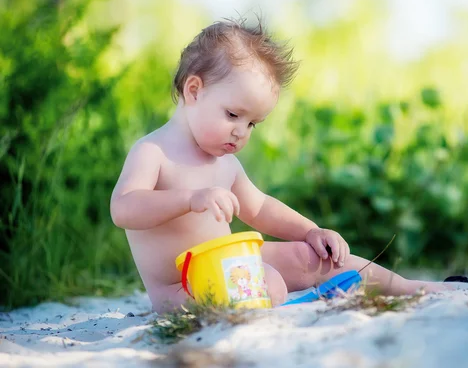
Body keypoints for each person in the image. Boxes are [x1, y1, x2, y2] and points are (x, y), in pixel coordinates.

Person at [110, 17, 450, 314]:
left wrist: (310, 231)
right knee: (266, 280)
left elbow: (260, 208)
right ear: (194, 90)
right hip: (181, 289)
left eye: (252, 123)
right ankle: (292, 301)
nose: (241, 132)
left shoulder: (226, 164)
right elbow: (124, 208)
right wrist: (187, 199)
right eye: (232, 115)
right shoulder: (154, 151)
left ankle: (407, 287)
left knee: (314, 258)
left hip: (233, 267)